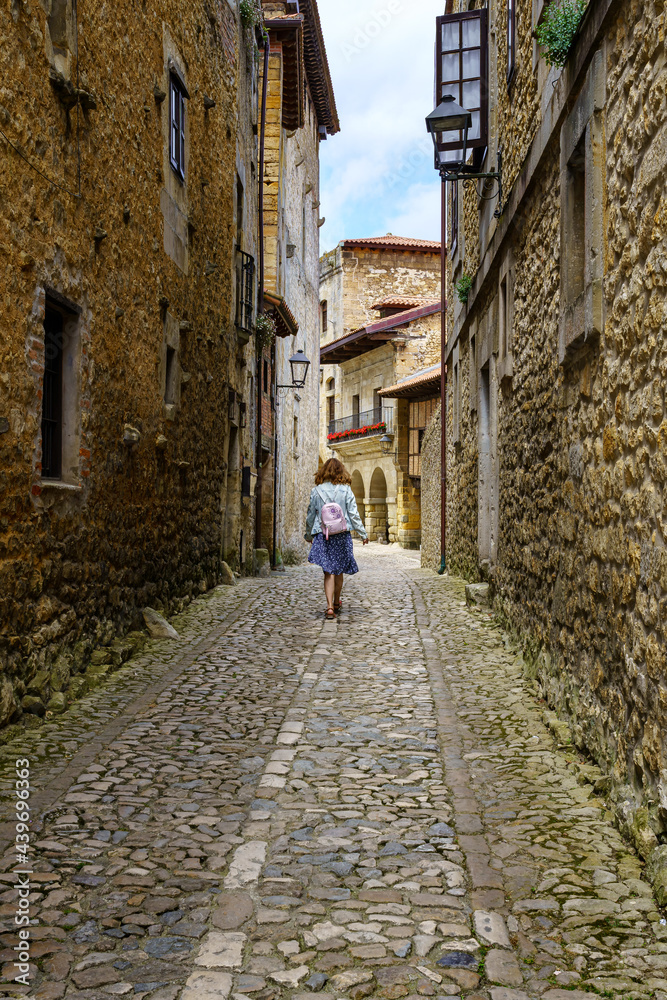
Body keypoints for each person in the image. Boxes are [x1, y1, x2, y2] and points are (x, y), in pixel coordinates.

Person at [305, 458, 369, 619]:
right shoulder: (346, 490)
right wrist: (363, 534)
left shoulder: (317, 491)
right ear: (341, 472)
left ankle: (328, 607)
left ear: (323, 472)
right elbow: (353, 514)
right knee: (339, 570)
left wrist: (308, 535)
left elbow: (310, 515)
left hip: (323, 534)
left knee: (328, 572)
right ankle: (336, 601)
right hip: (341, 534)